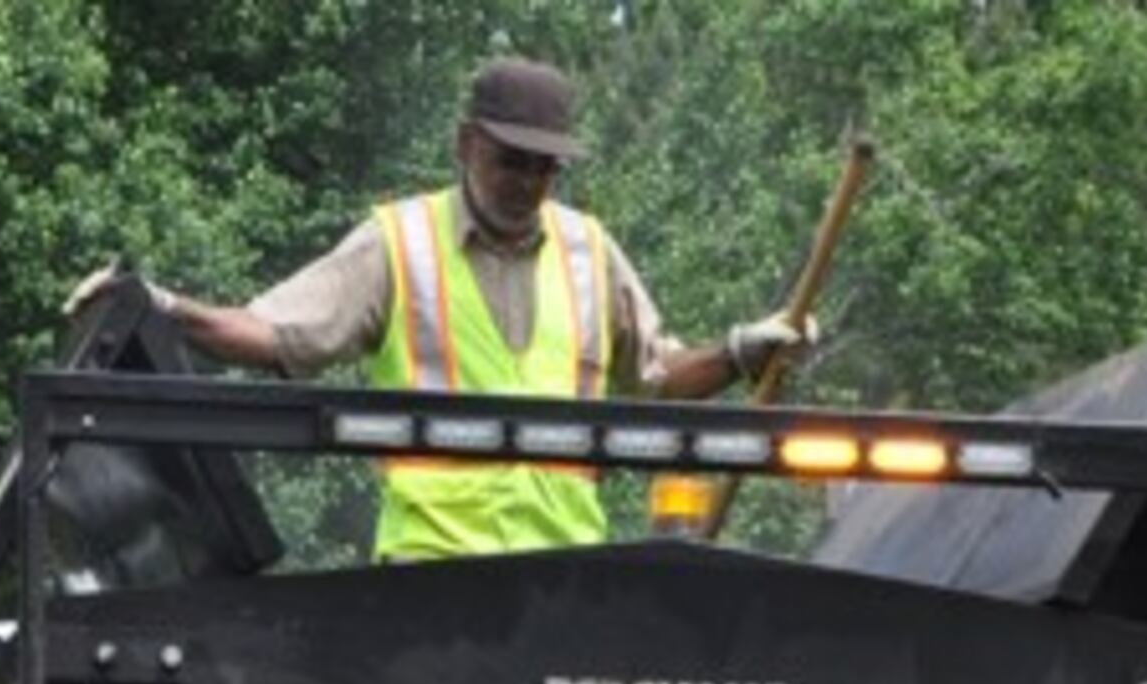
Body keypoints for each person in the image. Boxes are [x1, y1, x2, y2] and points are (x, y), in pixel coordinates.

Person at [81, 56, 812, 561]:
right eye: (511, 159)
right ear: (466, 143)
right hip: (431, 579)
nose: (528, 181)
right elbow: (273, 332)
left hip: (565, 576)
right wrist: (163, 305)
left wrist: (740, 351)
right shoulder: (399, 243)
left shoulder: (590, 251)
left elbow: (656, 377)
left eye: (545, 167)